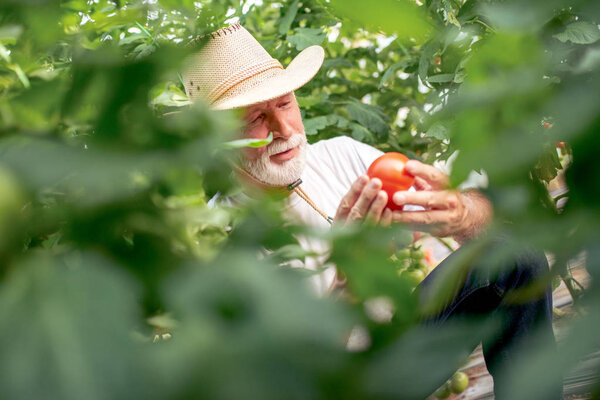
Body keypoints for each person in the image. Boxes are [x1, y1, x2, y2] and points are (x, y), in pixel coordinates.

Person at [183, 22, 560, 399]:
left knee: (514, 256)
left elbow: (479, 219)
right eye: (254, 118)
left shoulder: (341, 156)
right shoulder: (218, 242)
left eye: (285, 103)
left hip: (399, 348)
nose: (283, 127)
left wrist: (460, 212)